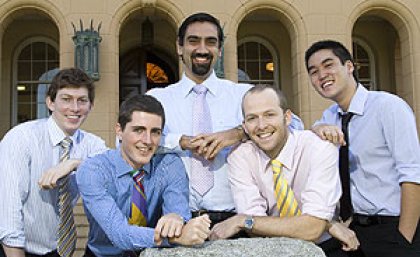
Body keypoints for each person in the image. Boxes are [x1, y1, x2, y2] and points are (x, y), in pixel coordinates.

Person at [147, 12, 303, 231]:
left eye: (210, 42)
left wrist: (239, 133)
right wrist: (180, 142)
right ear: (179, 47)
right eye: (193, 41)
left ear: (219, 50)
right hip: (175, 221)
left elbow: (294, 125)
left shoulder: (243, 94)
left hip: (237, 221)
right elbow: (126, 143)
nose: (202, 49)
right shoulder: (157, 99)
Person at [305, 39, 420, 256]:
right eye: (313, 71)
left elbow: (413, 174)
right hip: (353, 230)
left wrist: (404, 240)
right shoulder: (329, 117)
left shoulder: (388, 107)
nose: (321, 75)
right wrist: (317, 128)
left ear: (349, 67)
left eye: (328, 65)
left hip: (392, 228)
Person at [210, 85, 354, 252]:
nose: (261, 125)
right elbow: (255, 231)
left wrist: (242, 221)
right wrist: (324, 224)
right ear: (245, 126)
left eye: (269, 115)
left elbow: (312, 229)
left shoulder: (319, 148)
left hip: (324, 247)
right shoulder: (240, 156)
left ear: (287, 117)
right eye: (252, 118)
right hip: (271, 248)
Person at [76, 94, 211, 257]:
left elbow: (178, 210)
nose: (147, 140)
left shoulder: (169, 164)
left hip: (152, 252)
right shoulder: (93, 170)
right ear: (119, 131)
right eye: (138, 130)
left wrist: (176, 218)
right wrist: (176, 237)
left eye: (155, 132)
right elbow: (120, 234)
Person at [0, 68, 107, 257]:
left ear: (91, 105)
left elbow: (112, 173)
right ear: (50, 102)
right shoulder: (21, 138)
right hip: (14, 249)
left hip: (59, 250)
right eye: (66, 99)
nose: (75, 108)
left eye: (82, 100)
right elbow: (9, 213)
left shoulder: (93, 145)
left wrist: (74, 163)